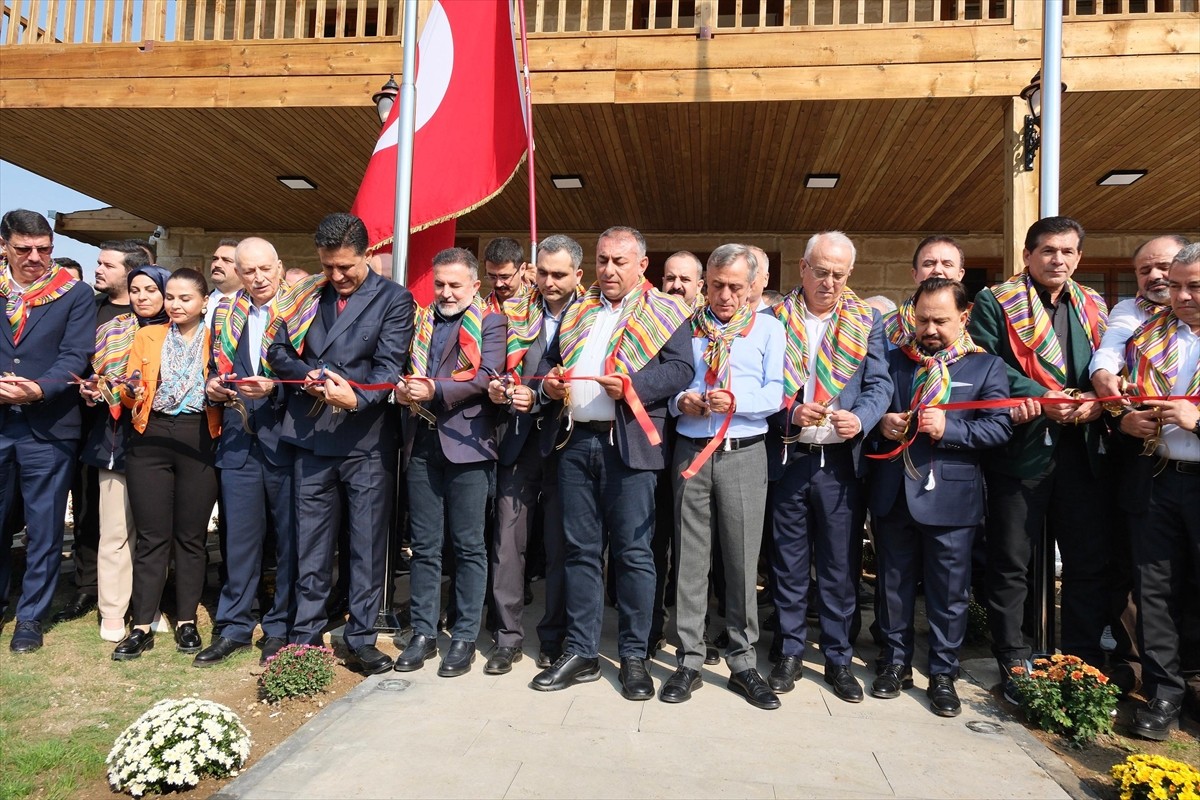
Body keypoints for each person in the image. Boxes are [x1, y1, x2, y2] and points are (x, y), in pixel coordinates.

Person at [530, 225, 693, 699]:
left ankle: (635, 656)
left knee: (634, 556)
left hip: (630, 448)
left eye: (619, 261)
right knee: (580, 550)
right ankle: (581, 651)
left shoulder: (666, 311)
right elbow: (554, 360)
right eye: (603, 260)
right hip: (575, 443)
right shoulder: (580, 309)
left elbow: (681, 368)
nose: (608, 270)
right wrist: (553, 384)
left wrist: (633, 386)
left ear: (642, 264)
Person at [967, 216, 1112, 703]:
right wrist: (1046, 397)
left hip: (1083, 449)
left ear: (1078, 258)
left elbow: (1108, 363)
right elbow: (987, 361)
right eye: (1048, 250)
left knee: (1085, 559)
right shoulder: (996, 300)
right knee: (1012, 560)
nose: (1058, 260)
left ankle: (1081, 659)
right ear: (1028, 256)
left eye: (1068, 252)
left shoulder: (1093, 304)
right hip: (1024, 446)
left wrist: (1094, 397)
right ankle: (1012, 653)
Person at [267, 212, 414, 675]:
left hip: (365, 440)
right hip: (310, 435)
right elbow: (278, 352)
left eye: (345, 267)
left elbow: (390, 367)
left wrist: (355, 396)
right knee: (309, 544)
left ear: (367, 255)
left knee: (366, 547)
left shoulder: (394, 299)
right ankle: (305, 637)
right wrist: (303, 375)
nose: (336, 276)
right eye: (328, 266)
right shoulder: (307, 293)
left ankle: (362, 637)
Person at [868, 277, 1012, 716]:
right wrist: (883, 424)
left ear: (964, 317)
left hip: (952, 499)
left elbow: (999, 428)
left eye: (940, 321)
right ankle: (894, 663)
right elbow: (872, 406)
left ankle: (944, 673)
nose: (929, 329)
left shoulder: (986, 367)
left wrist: (949, 429)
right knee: (892, 586)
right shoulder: (893, 361)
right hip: (894, 493)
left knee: (949, 592)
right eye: (922, 319)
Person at [768, 231, 891, 703]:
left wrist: (859, 418)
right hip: (791, 454)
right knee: (788, 563)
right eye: (821, 271)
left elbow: (879, 385)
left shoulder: (867, 321)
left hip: (841, 462)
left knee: (841, 566)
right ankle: (790, 650)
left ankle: (838, 657)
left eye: (839, 274)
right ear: (803, 267)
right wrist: (788, 411)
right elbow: (760, 384)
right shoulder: (775, 317)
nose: (830, 282)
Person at [665, 243, 784, 709]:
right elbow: (671, 382)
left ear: (753, 286)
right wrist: (683, 402)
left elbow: (776, 391)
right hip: (691, 451)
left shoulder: (768, 329)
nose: (726, 296)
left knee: (739, 560)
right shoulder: (685, 327)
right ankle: (689, 659)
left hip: (744, 453)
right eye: (717, 286)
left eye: (736, 287)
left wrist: (739, 401)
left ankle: (743, 661)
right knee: (690, 561)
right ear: (705, 284)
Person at [392, 248, 504, 677]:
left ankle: (463, 637)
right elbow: (402, 369)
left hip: (469, 446)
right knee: (424, 546)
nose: (446, 292)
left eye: (456, 284)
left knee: (469, 546)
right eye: (439, 283)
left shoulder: (491, 322)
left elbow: (486, 377)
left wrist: (431, 390)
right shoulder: (420, 321)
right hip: (421, 442)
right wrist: (403, 390)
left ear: (475, 286)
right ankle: (423, 632)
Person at [194, 238, 297, 667]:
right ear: (238, 271)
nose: (257, 278)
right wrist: (213, 387)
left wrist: (276, 387)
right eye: (248, 270)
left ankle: (280, 627)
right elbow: (213, 368)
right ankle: (234, 625)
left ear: (279, 267)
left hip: (288, 440)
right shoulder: (224, 313)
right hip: (238, 441)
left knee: (292, 542)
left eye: (264, 269)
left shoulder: (301, 311)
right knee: (238, 541)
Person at [483, 234, 583, 674]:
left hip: (569, 443)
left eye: (558, 274)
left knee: (561, 546)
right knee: (507, 541)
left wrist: (540, 392)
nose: (548, 282)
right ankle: (506, 637)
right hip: (516, 440)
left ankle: (555, 637)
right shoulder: (512, 312)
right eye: (541, 273)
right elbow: (493, 363)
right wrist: (499, 385)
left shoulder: (594, 315)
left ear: (578, 275)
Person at [111, 268, 221, 660]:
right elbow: (129, 393)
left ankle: (187, 620)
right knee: (152, 535)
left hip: (199, 436)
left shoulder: (218, 337)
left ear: (204, 301)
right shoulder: (148, 335)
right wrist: (128, 391)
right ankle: (142, 623)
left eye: (184, 298)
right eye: (170, 297)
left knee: (190, 536)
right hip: (150, 436)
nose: (175, 305)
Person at [0, 209, 95, 653]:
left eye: (44, 249)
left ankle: (31, 617)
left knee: (44, 528)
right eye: (24, 249)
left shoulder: (74, 294)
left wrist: (38, 389)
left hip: (49, 427)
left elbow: (76, 355)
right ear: (5, 246)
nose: (35, 257)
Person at [1116, 243, 1200, 740]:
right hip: (1159, 476)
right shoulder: (1149, 335)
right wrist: (1124, 418)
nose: (1183, 296)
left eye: (1196, 287)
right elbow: (1116, 387)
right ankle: (1165, 691)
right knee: (1155, 590)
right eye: (1178, 287)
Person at [54, 240, 151, 626]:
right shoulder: (89, 308)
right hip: (88, 426)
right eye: (97, 263)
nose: (98, 270)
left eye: (107, 265)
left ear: (132, 271)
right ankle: (87, 586)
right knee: (91, 514)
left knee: (143, 520)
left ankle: (146, 597)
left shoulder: (151, 315)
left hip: (139, 430)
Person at [79, 264, 171, 643]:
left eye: (151, 289)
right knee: (116, 529)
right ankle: (114, 609)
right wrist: (92, 389)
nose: (142, 296)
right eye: (135, 289)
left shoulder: (181, 333)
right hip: (115, 439)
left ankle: (149, 607)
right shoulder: (111, 331)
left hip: (163, 443)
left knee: (157, 533)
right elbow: (92, 376)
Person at [881, 236, 967, 348]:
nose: (937, 270)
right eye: (928, 264)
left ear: (960, 275)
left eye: (947, 264)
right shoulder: (884, 327)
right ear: (915, 274)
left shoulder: (976, 323)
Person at [482, 237, 527, 314]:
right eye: (492, 277)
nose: (498, 284)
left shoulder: (536, 305)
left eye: (505, 277)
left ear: (522, 269)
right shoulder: (481, 310)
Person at [204, 238, 241, 325]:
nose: (217, 264)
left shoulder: (253, 306)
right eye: (215, 259)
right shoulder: (199, 304)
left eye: (226, 260)